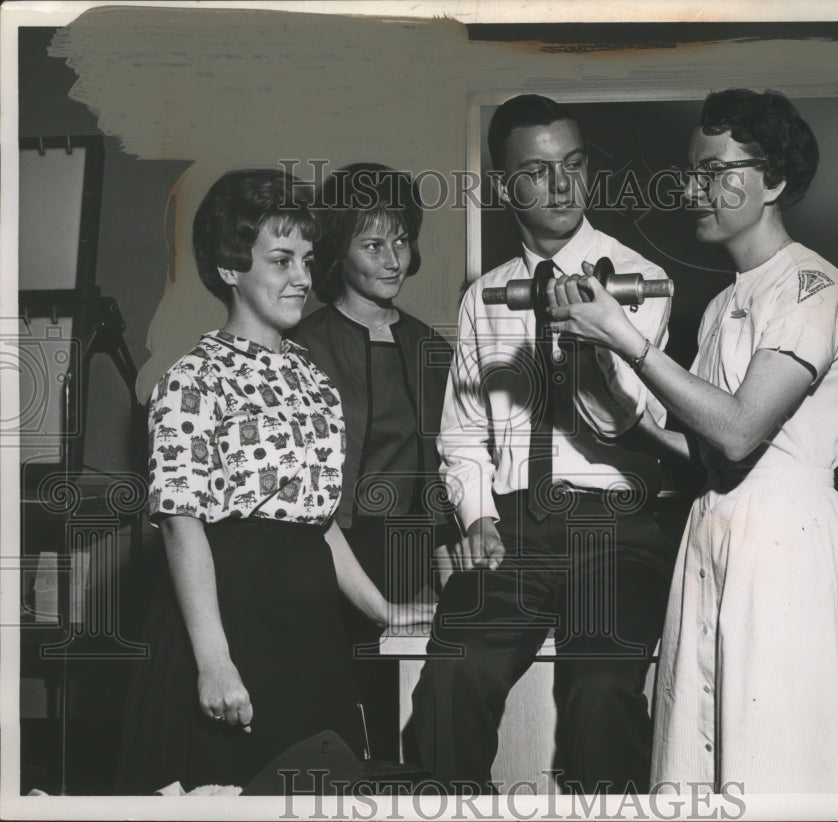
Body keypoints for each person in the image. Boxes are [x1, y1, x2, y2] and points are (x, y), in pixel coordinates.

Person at [547, 89, 838, 793]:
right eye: (691, 171)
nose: (692, 189)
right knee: (705, 757)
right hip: (714, 535)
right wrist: (627, 408)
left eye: (714, 171)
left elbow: (739, 434)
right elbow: (707, 454)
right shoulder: (725, 304)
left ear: (775, 181)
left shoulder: (811, 287)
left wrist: (627, 337)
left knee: (779, 760)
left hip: (785, 548)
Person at [117, 168, 433, 793]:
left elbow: (317, 522)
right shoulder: (190, 380)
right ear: (230, 268)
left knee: (323, 790)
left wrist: (383, 611)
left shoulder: (310, 377)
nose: (303, 279)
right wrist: (214, 664)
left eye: (309, 260)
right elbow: (182, 527)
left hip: (312, 632)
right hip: (230, 623)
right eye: (281, 260)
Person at [408, 94, 675, 794]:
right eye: (538, 170)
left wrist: (594, 338)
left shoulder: (641, 281)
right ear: (504, 187)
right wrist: (479, 519)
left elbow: (627, 426)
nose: (561, 186)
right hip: (514, 525)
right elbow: (462, 438)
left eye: (574, 165)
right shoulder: (483, 297)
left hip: (617, 528)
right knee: (446, 691)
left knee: (600, 699)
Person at [292, 162, 454, 761]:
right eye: (373, 243)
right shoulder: (301, 346)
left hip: (408, 554)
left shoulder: (430, 348)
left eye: (401, 241)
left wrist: (448, 581)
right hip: (325, 555)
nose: (392, 259)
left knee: (405, 724)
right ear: (340, 251)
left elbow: (442, 475)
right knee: (334, 728)